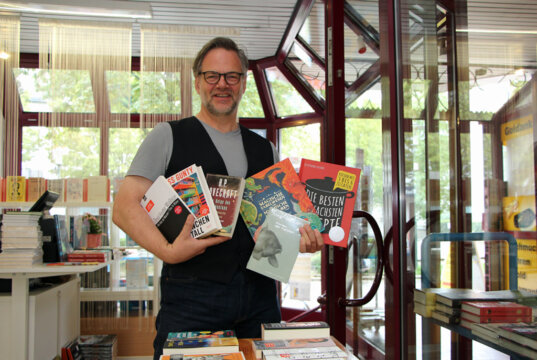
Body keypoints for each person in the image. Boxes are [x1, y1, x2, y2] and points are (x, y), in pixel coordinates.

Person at [112, 37, 324, 359]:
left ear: (243, 84)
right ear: (197, 82)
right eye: (212, 76)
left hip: (260, 299)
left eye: (232, 76)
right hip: (192, 299)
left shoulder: (265, 149)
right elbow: (124, 208)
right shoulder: (167, 136)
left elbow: (271, 231)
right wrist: (168, 252)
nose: (222, 84)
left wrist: (301, 239)